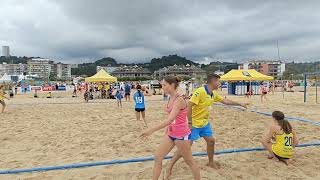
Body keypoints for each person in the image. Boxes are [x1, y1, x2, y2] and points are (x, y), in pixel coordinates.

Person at [165, 74, 248, 178]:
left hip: (204, 123)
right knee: (185, 147)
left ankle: (211, 162)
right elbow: (189, 106)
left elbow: (225, 101)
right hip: (194, 124)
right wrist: (189, 123)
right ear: (212, 82)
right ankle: (169, 167)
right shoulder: (200, 91)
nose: (220, 83)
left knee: (211, 141)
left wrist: (240, 104)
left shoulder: (212, 93)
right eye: (218, 81)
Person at [141, 76, 200, 180]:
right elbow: (171, 120)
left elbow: (169, 119)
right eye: (162, 85)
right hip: (171, 133)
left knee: (189, 161)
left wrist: (151, 130)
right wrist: (167, 130)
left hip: (181, 135)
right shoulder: (170, 97)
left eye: (164, 85)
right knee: (158, 157)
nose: (162, 87)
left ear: (172, 85)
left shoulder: (179, 99)